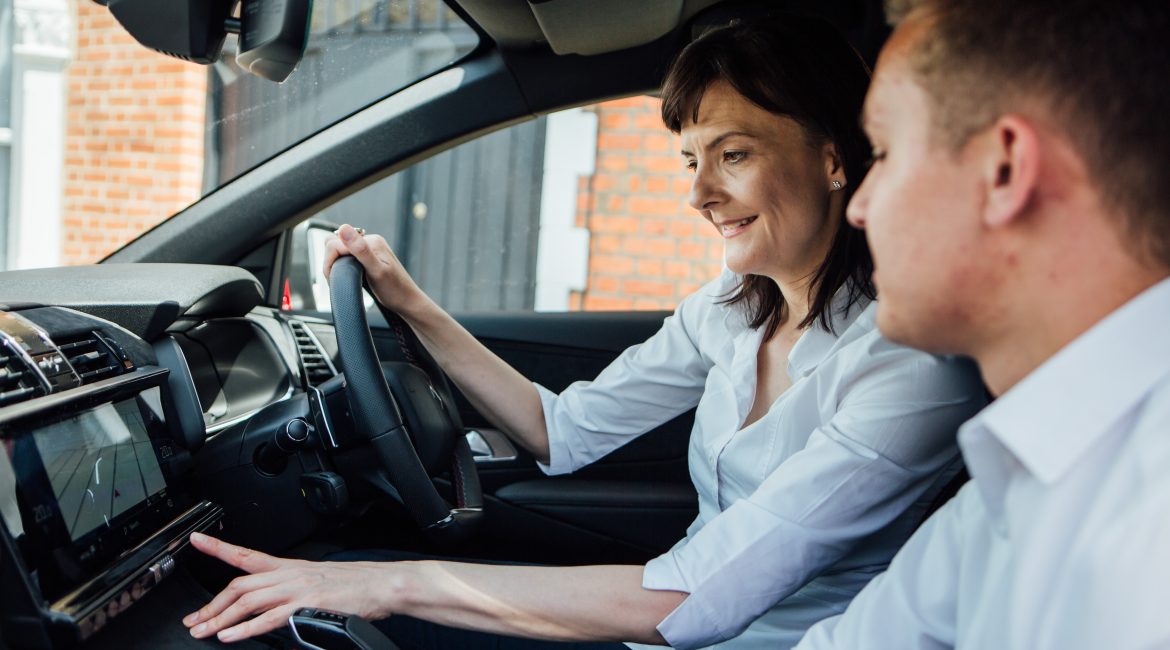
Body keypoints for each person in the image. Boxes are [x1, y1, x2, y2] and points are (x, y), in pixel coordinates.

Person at [183, 14, 985, 649]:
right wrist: (411, 304)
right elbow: (560, 431)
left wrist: (393, 583)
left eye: (732, 154)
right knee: (316, 596)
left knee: (345, 598)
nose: (700, 193)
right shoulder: (731, 307)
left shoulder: (906, 368)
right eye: (688, 160)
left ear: (835, 159)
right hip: (664, 638)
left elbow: (692, 598)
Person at [795, 1, 1170, 648]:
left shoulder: (1147, 531)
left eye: (881, 153)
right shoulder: (1017, 473)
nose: (858, 206)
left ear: (1003, 170)